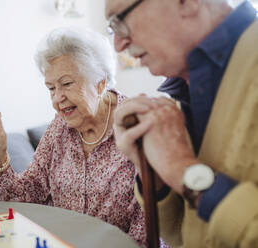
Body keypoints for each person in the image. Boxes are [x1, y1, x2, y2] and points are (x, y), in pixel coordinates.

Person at [0, 27, 168, 247]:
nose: (57, 98)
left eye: (66, 84)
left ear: (100, 82)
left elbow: (151, 227)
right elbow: (25, 199)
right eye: (51, 88)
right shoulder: (59, 128)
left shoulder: (136, 125)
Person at [105, 0, 258, 247]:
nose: (118, 44)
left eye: (119, 19)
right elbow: (183, 236)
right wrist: (155, 175)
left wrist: (182, 170)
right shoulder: (183, 91)